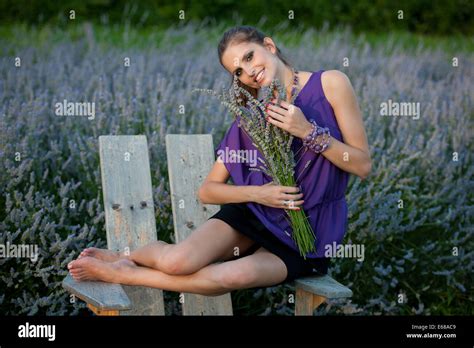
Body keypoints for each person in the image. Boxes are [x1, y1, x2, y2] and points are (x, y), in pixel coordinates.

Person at [67, 25, 371, 297]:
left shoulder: (330, 83)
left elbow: (362, 165)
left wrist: (307, 131)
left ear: (269, 45)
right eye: (237, 71)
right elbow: (208, 190)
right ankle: (127, 257)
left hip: (310, 233)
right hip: (257, 212)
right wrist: (258, 193)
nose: (248, 71)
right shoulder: (253, 117)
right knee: (177, 261)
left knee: (233, 275)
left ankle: (127, 274)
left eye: (249, 57)